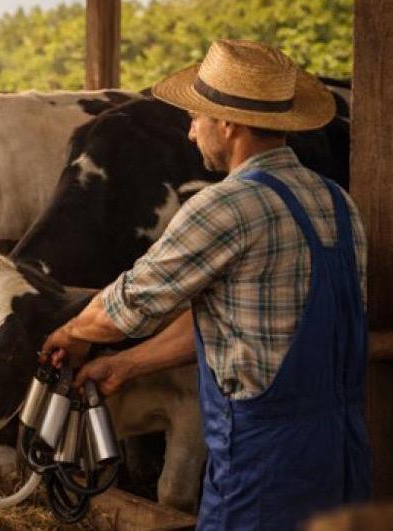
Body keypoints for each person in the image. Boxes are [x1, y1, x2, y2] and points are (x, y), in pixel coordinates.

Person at [40, 39, 371, 530]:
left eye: (196, 117)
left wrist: (73, 333)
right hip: (343, 450)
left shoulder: (226, 206)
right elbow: (236, 318)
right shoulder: (337, 203)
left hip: (263, 464)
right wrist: (130, 363)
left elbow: (128, 306)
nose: (191, 133)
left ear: (229, 123)